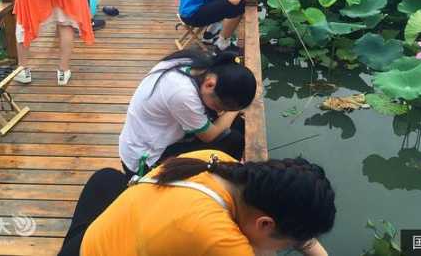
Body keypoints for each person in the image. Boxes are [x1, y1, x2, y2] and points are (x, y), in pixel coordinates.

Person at [58, 149, 334, 256]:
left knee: (107, 178)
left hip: (93, 241)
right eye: (284, 245)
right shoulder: (220, 241)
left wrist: (302, 240)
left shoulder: (215, 160)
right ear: (264, 223)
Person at [119, 49, 257, 177]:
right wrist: (234, 111)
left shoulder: (191, 62)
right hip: (145, 159)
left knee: (235, 125)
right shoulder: (182, 94)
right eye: (219, 106)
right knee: (234, 140)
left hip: (156, 137)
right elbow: (209, 136)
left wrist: (229, 112)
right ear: (210, 84)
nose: (220, 111)